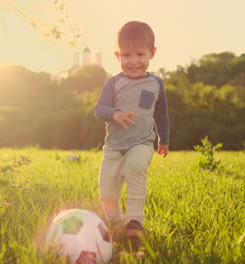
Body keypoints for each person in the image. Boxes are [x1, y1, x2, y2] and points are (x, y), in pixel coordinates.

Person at [94, 21, 169, 245]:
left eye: (140, 54)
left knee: (135, 167)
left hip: (142, 143)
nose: (133, 61)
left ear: (152, 53)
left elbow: (161, 115)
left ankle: (134, 223)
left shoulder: (156, 83)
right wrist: (115, 113)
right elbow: (99, 110)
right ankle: (116, 226)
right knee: (107, 191)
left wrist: (163, 140)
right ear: (117, 55)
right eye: (126, 55)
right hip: (114, 147)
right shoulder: (113, 83)